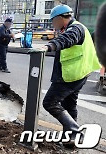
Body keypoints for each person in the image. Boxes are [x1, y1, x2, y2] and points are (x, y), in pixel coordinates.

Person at [29, 4, 101, 147]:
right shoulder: (76, 27)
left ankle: (76, 132)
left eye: (53, 21)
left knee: (49, 102)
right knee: (69, 105)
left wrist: (47, 46)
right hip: (79, 73)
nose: (53, 24)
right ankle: (70, 139)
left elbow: (67, 39)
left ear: (61, 18)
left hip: (70, 76)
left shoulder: (75, 29)